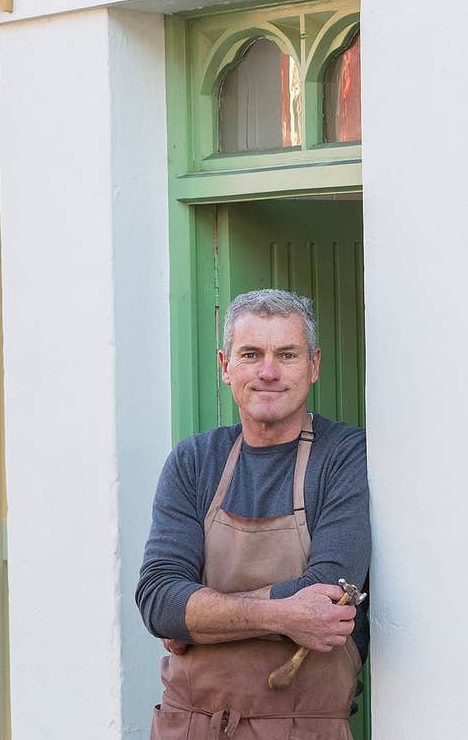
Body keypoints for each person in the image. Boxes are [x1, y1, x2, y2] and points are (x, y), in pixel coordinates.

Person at [136, 289, 370, 739]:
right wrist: (285, 615)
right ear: (225, 367)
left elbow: (323, 597)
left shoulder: (343, 456)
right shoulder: (193, 461)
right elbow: (158, 599)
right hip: (189, 726)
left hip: (301, 727)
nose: (268, 371)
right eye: (251, 354)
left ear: (314, 365)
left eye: (286, 354)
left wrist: (198, 619)